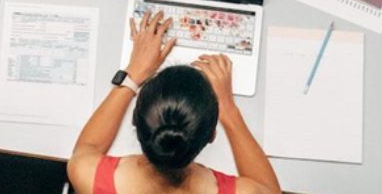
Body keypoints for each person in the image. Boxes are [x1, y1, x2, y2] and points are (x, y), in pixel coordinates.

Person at [68, 11, 281, 194]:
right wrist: (227, 109)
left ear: (135, 120)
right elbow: (268, 189)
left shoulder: (86, 175)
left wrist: (132, 76)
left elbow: (86, 148)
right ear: (211, 135)